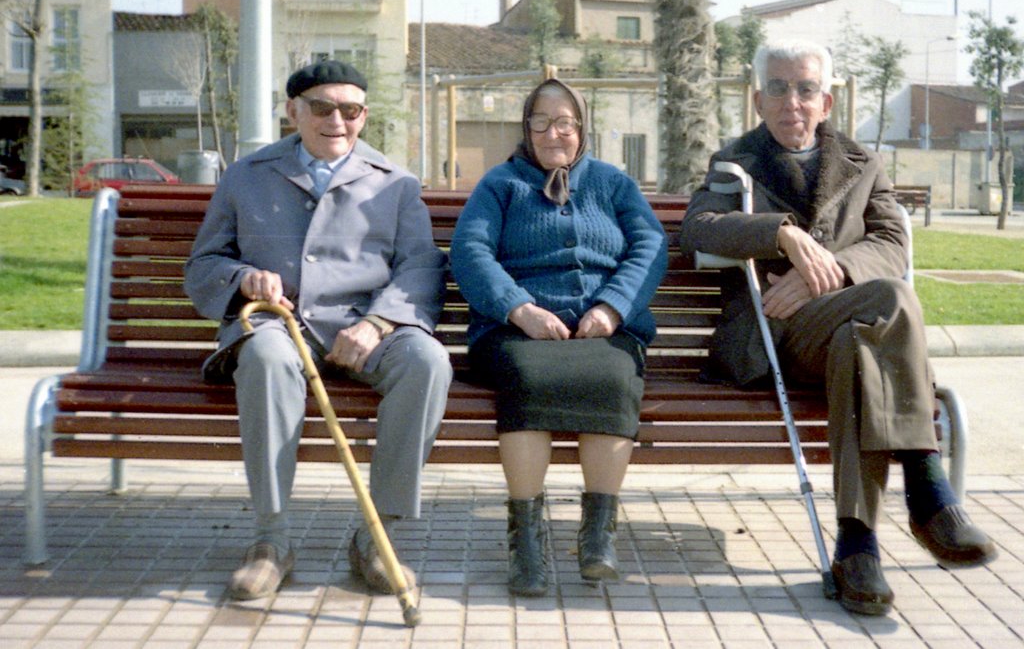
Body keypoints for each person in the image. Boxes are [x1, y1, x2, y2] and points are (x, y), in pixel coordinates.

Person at [679, 39, 997, 616]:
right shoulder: (734, 163)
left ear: (826, 102)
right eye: (778, 88)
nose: (792, 102)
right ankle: (926, 486)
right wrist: (782, 235)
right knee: (891, 302)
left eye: (805, 89)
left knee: (862, 341)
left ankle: (857, 547)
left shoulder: (862, 163)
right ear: (758, 98)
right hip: (773, 338)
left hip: (844, 331)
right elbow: (699, 226)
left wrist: (833, 274)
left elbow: (893, 241)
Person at [185, 60, 452, 600]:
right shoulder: (247, 175)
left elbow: (422, 267)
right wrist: (243, 278)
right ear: (293, 111)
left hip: (368, 326)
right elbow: (203, 264)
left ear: (363, 115)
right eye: (322, 107)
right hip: (282, 325)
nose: (338, 120)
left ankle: (379, 538)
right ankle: (272, 540)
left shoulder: (396, 183)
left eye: (350, 110)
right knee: (263, 359)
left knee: (428, 362)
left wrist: (378, 323)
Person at [449, 79, 668, 596]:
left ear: (582, 128)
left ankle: (597, 537)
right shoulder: (501, 185)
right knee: (527, 378)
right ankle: (526, 542)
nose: (554, 133)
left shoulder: (613, 184)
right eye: (541, 122)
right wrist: (519, 309)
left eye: (565, 121)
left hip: (604, 329)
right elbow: (471, 252)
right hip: (515, 331)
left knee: (614, 376)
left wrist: (613, 307)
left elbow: (649, 245)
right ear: (526, 129)